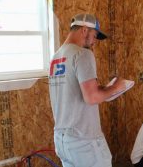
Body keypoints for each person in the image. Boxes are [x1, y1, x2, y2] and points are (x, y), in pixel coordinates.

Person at [49, 13, 127, 167]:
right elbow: (92, 97)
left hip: (62, 140)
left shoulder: (56, 58)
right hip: (84, 141)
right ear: (84, 30)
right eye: (94, 35)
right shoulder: (82, 54)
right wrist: (116, 87)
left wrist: (104, 88)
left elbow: (75, 91)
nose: (94, 42)